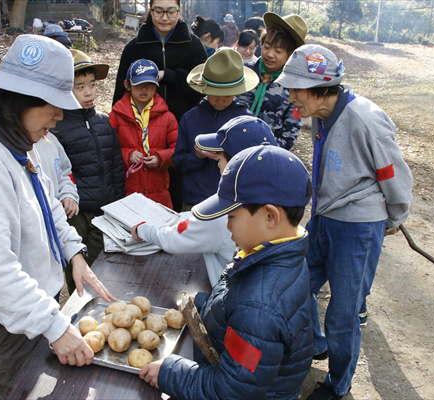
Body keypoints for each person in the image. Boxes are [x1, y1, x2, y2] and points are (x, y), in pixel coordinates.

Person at [0, 35, 116, 395]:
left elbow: (46, 199)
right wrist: (55, 327)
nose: (61, 115)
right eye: (54, 104)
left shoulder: (15, 140)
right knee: (28, 390)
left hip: (29, 304)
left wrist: (73, 252)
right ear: (21, 101)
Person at [276, 44, 413, 400]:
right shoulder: (320, 114)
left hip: (357, 227)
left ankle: (338, 386)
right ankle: (319, 344)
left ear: (322, 87)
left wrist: (396, 213)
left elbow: (392, 171)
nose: (291, 97)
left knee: (343, 312)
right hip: (325, 217)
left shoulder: (365, 118)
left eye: (296, 89)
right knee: (294, 282)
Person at [139, 144, 314, 398]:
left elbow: (231, 390)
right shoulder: (275, 250)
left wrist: (168, 372)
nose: (227, 225)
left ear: (270, 217)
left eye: (231, 216)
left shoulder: (259, 309)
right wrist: (203, 304)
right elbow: (237, 311)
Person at [131, 115, 277, 287]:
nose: (217, 165)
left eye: (220, 159)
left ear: (237, 164)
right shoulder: (271, 197)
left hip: (229, 299)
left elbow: (174, 238)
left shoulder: (229, 215)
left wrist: (143, 230)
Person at [112, 0, 207, 212]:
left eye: (171, 11)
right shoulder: (135, 47)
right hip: (140, 135)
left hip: (183, 130)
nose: (165, 17)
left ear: (179, 12)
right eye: (158, 11)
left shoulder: (193, 45)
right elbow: (121, 93)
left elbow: (203, 87)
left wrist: (169, 76)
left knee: (178, 194)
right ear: (150, 11)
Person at [50, 49, 126, 284]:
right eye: (79, 86)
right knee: (77, 265)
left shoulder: (104, 122)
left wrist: (119, 200)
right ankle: (78, 312)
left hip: (104, 207)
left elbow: (115, 165)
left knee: (102, 263)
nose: (88, 92)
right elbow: (58, 171)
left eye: (92, 85)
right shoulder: (57, 127)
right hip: (76, 212)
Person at [173, 48, 257, 210]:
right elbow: (178, 161)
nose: (220, 100)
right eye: (214, 93)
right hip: (194, 201)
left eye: (227, 95)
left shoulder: (246, 121)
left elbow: (253, 166)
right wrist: (197, 156)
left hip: (233, 202)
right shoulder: (190, 118)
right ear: (204, 89)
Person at [110, 59, 178, 208]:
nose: (144, 89)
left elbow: (178, 150)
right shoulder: (115, 116)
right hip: (128, 192)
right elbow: (108, 151)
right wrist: (128, 156)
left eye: (150, 85)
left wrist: (160, 158)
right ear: (128, 85)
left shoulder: (168, 117)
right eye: (139, 84)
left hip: (158, 194)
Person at [249, 13, 307, 150]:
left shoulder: (294, 88)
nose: (270, 54)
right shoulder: (246, 73)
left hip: (268, 154)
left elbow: (289, 135)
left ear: (290, 55)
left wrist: (263, 149)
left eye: (278, 50)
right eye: (267, 46)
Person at [33, 132, 79, 213]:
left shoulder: (51, 138)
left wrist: (68, 194)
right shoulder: (13, 148)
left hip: (58, 215)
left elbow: (64, 173)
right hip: (35, 217)